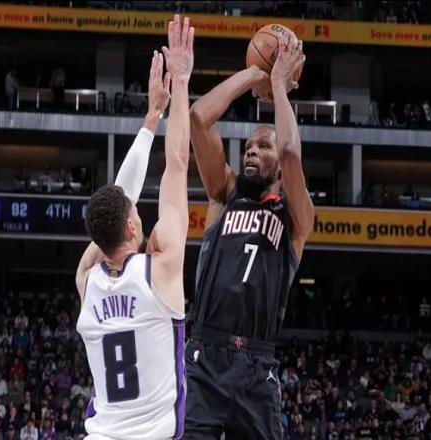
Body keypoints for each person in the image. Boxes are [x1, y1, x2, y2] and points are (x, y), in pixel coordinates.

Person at [185, 31, 314, 438]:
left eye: (262, 146)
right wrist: (255, 72)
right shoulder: (224, 194)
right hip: (205, 355)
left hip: (257, 365)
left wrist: (279, 87)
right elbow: (198, 117)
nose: (252, 151)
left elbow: (291, 152)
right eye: (248, 148)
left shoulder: (295, 220)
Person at [75, 14, 194, 439]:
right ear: (130, 226)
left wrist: (151, 118)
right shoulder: (161, 270)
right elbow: (177, 165)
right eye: (136, 214)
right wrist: (180, 82)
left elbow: (117, 200)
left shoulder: (87, 281)